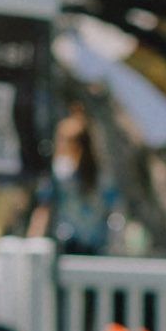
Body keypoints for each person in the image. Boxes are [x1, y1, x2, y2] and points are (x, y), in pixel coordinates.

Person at [27, 108, 117, 254]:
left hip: (67, 245)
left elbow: (44, 208)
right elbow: (112, 212)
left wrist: (32, 240)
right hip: (96, 247)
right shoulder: (103, 176)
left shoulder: (60, 174)